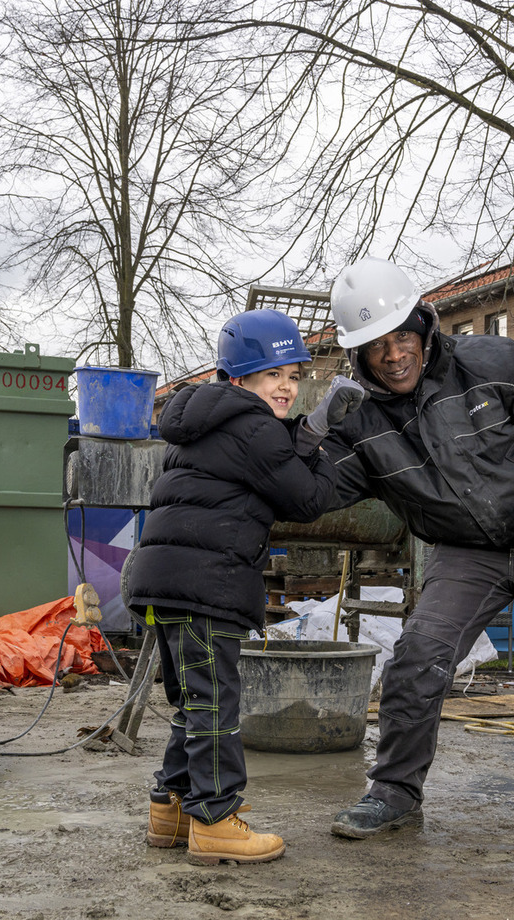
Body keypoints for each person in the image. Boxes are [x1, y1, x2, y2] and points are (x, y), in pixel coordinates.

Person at [319, 257, 514, 844]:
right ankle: (394, 792)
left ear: (423, 325)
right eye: (376, 346)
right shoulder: (363, 422)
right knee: (416, 659)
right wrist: (310, 432)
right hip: (463, 551)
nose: (394, 354)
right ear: (359, 355)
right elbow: (308, 490)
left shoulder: (493, 363)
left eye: (402, 335)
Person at [124, 308, 366, 866]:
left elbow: (270, 465)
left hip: (163, 582)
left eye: (292, 375)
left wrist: (303, 433)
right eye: (271, 376)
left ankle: (173, 809)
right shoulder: (255, 426)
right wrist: (330, 435)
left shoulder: (205, 424)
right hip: (205, 584)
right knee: (215, 705)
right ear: (240, 381)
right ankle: (215, 819)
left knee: (192, 700)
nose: (286, 386)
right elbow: (304, 499)